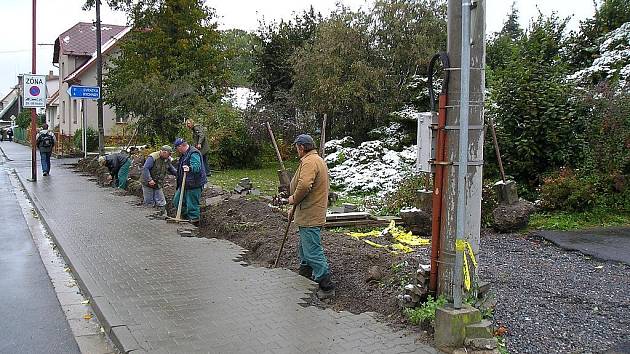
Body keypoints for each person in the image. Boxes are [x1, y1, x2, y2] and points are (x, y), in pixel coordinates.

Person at [287, 134, 335, 298]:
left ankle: (326, 285)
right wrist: (294, 207)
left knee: (312, 251)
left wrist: (293, 199)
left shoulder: (309, 162)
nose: (296, 151)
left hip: (310, 214)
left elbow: (305, 185)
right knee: (304, 248)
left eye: (296, 148)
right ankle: (304, 277)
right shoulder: (317, 160)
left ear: (301, 147)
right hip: (309, 212)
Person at [173, 138, 207, 226]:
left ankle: (194, 222)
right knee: (177, 201)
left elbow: (197, 166)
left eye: (177, 148)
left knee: (192, 204)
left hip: (194, 183)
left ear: (181, 146)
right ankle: (185, 218)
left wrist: (190, 168)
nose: (177, 150)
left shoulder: (193, 153)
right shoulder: (184, 154)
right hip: (184, 183)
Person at [142, 145, 177, 215]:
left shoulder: (167, 159)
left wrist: (179, 174)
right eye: (169, 154)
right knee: (149, 201)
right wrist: (149, 179)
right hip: (148, 183)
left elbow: (171, 169)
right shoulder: (153, 157)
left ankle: (162, 215)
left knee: (161, 200)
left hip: (158, 183)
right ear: (163, 152)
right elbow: (145, 168)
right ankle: (149, 217)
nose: (170, 155)